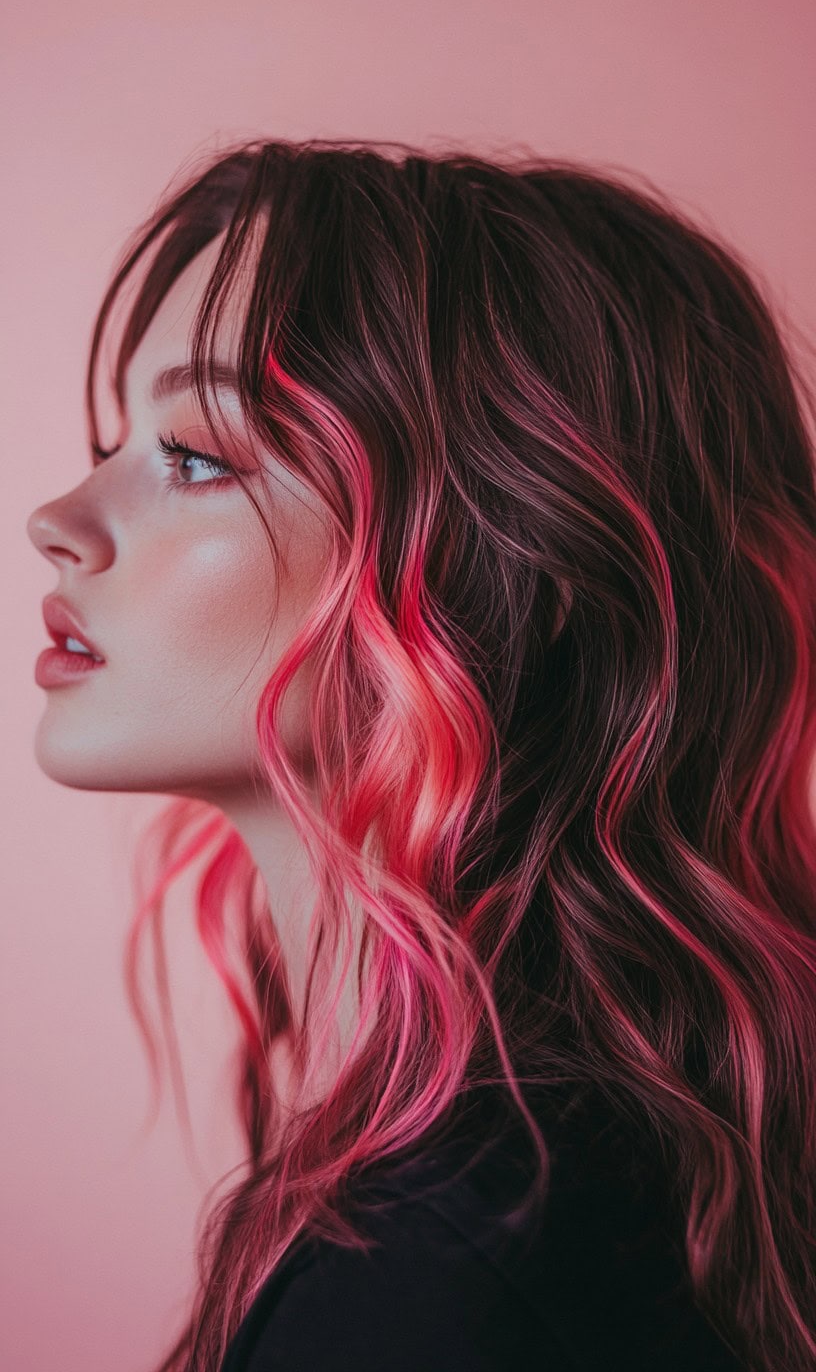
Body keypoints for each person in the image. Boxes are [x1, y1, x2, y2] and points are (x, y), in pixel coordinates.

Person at [26, 139, 816, 1372]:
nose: (57, 522)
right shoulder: (590, 1179)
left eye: (195, 455)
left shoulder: (453, 1267)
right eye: (114, 441)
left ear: (504, 576)